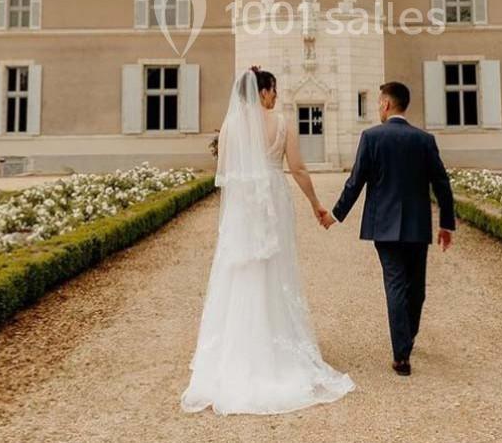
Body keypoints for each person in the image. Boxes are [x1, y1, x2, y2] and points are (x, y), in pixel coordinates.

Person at [181, 67, 354, 414]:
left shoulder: (231, 126)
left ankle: (237, 349)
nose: (275, 96)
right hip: (273, 201)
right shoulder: (281, 123)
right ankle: (276, 344)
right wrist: (316, 205)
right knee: (276, 268)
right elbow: (299, 169)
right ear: (263, 92)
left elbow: (225, 176)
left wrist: (240, 208)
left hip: (244, 208)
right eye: (273, 90)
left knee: (240, 269)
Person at [329, 80, 455, 376]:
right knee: (416, 289)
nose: (377, 108)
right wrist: (446, 223)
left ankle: (402, 353)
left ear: (386, 104)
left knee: (396, 285)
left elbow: (355, 182)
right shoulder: (424, 140)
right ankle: (405, 341)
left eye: (378, 103)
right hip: (417, 226)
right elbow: (442, 184)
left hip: (383, 225)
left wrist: (335, 215)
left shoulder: (371, 137)